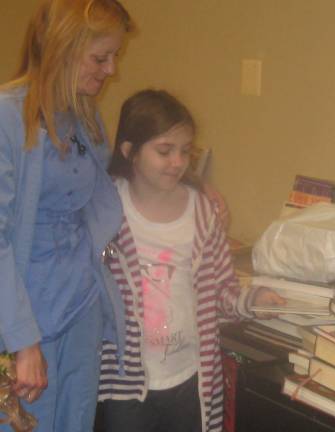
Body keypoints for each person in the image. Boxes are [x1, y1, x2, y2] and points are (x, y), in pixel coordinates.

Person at [97, 89, 284, 432]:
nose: (178, 162)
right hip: (123, 383)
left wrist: (252, 301)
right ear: (130, 152)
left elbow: (222, 294)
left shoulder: (202, 213)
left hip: (191, 379)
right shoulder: (107, 209)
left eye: (185, 151)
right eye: (164, 151)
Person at [0, 0, 133, 430]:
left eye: (114, 56)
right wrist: (23, 342)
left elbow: (107, 191)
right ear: (62, 48)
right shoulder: (6, 115)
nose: (111, 69)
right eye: (100, 57)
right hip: (25, 316)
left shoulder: (84, 117)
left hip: (80, 306)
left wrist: (191, 187)